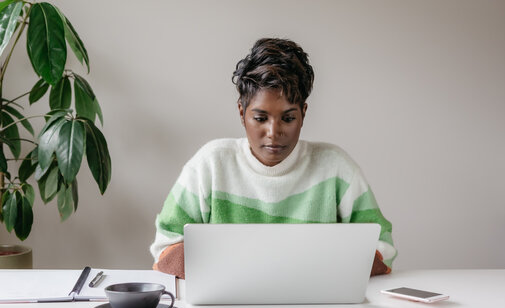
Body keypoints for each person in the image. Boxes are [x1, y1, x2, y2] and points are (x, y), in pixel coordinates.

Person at [151, 38, 397, 279]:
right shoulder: (209, 165)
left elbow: (382, 247)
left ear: (303, 113)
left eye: (288, 118)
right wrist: (243, 270)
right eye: (260, 118)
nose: (273, 132)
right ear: (241, 112)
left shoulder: (336, 168)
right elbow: (165, 249)